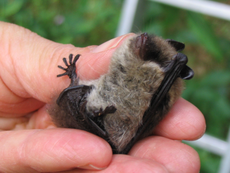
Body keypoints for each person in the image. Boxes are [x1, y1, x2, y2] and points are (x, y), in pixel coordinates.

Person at [0, 21, 205, 173]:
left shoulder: (153, 78)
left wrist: (74, 77)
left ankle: (90, 112)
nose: (142, 39)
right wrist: (75, 75)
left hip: (109, 120)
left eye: (147, 47)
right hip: (101, 113)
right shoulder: (134, 67)